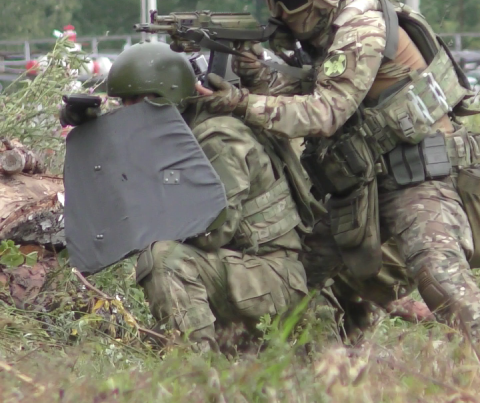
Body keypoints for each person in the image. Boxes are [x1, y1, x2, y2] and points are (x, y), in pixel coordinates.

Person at [195, 0, 480, 354]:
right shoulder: (332, 36)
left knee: (441, 279)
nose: (281, 15)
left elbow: (326, 113)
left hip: (417, 179)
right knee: (294, 276)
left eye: (291, 0)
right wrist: (259, 77)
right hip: (361, 184)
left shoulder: (362, 27)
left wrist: (242, 102)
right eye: (273, 5)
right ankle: (310, 368)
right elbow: (316, 88)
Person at [63, 42, 309, 350]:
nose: (128, 110)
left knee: (163, 259)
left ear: (166, 95)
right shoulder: (177, 137)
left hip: (274, 277)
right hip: (243, 273)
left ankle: (194, 370)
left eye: (136, 100)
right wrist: (97, 138)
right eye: (123, 102)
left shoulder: (216, 138)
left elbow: (212, 230)